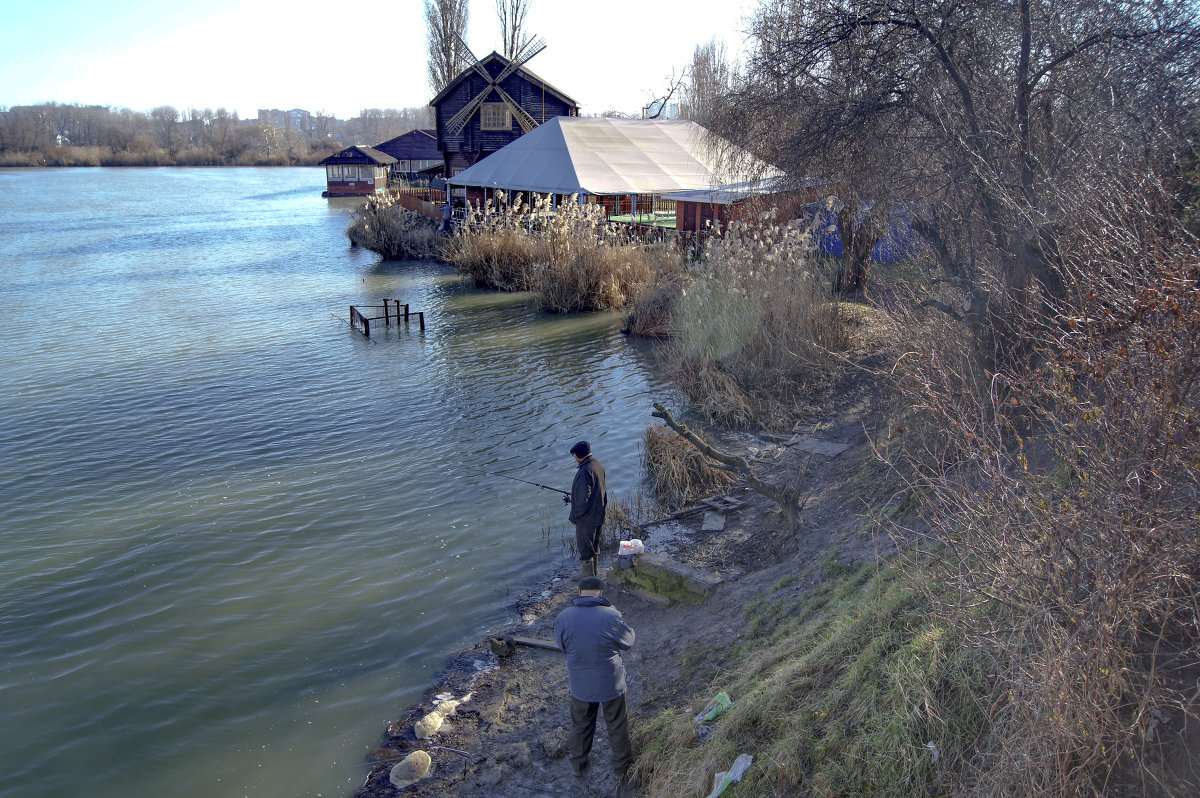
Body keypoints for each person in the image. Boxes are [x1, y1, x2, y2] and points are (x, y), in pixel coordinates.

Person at [554, 576, 636, 790]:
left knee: (580, 726)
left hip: (580, 685)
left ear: (580, 593)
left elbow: (562, 646)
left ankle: (578, 766)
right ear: (601, 593)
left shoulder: (564, 617)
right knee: (617, 725)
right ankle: (622, 768)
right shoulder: (611, 615)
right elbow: (628, 642)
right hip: (611, 683)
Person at [569, 440, 607, 577]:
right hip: (598, 515)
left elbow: (582, 500)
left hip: (587, 520)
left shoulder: (585, 471)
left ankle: (588, 580)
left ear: (579, 456)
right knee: (594, 547)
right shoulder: (598, 465)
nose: (575, 459)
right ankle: (594, 575)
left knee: (585, 551)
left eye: (574, 456)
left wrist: (575, 517)